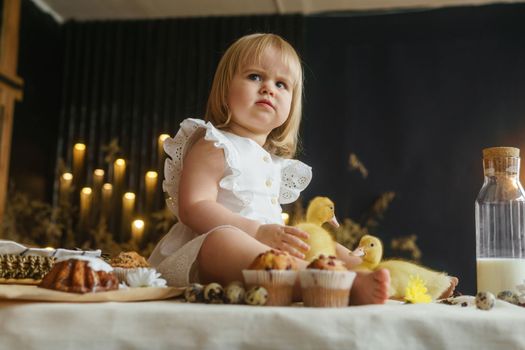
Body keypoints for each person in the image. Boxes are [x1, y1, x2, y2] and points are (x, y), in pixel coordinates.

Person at [148, 33, 390, 305]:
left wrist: (278, 238)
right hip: (205, 259)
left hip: (267, 258)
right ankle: (323, 284)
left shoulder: (273, 163)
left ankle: (372, 274)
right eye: (254, 77)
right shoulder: (214, 144)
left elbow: (273, 229)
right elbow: (193, 206)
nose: (268, 89)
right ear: (225, 88)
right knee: (223, 240)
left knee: (316, 240)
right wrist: (256, 232)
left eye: (281, 84)